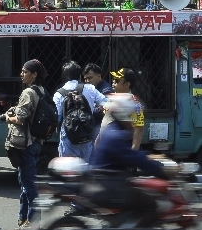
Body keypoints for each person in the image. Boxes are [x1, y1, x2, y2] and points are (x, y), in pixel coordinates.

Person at [87, 93, 170, 221]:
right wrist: (161, 169)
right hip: (111, 185)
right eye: (130, 114)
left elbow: (130, 154)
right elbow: (135, 158)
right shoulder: (115, 136)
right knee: (151, 204)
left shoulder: (111, 130)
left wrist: (149, 157)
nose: (132, 118)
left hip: (109, 181)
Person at [3, 59, 47, 230]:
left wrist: (7, 117)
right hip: (36, 141)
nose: (21, 74)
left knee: (29, 185)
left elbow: (20, 119)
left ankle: (34, 222)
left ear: (34, 75)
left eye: (24, 72)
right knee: (25, 182)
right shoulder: (41, 90)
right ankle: (23, 219)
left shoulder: (28, 92)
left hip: (26, 143)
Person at [53, 61, 106, 160]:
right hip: (87, 136)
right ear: (80, 76)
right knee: (86, 169)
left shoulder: (58, 94)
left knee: (68, 170)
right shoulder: (90, 88)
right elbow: (106, 103)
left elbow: (58, 118)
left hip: (68, 138)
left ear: (63, 77)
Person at [103, 68, 145, 150]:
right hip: (106, 146)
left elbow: (138, 130)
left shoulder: (134, 104)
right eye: (113, 79)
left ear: (127, 84)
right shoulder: (111, 98)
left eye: (117, 80)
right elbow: (104, 123)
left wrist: (133, 152)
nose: (113, 82)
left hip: (121, 148)